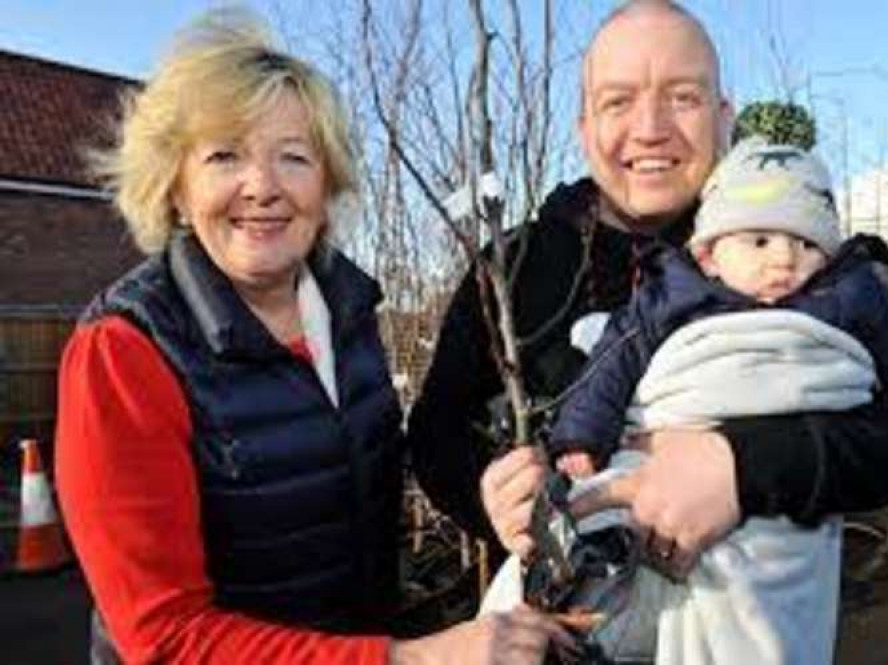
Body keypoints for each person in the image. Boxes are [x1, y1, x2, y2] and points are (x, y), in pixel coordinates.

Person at [54, 10, 569, 665]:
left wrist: (496, 488)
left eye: (293, 157)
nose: (263, 186)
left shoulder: (347, 312)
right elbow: (165, 638)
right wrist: (412, 658)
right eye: (224, 155)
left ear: (326, 185)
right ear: (177, 188)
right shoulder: (124, 352)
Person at [408, 0, 888, 588]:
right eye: (618, 101)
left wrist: (745, 467)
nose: (649, 128)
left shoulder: (795, 251)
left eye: (682, 97)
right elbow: (435, 433)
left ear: (723, 117)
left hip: (770, 615)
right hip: (572, 623)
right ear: (584, 128)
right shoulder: (513, 269)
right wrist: (491, 494)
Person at [481, 137, 888, 664]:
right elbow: (613, 361)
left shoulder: (850, 294)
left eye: (805, 245)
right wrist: (578, 435)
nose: (784, 260)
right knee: (584, 523)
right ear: (709, 254)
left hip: (787, 526)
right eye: (759, 241)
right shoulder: (668, 290)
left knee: (745, 613)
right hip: (650, 460)